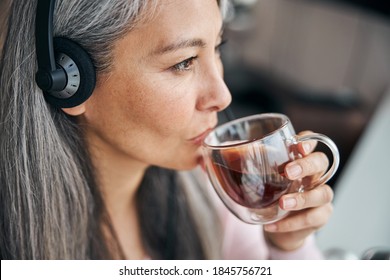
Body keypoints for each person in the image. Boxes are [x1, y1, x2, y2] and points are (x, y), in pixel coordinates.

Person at [0, 0, 334, 260]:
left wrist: (288, 244)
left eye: (216, 48)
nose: (222, 96)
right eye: (183, 62)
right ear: (70, 82)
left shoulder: (213, 192)